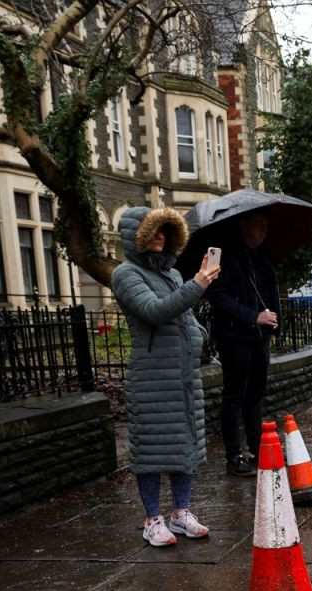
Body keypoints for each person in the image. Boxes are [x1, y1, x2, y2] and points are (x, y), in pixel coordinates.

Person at [110, 206, 221, 547]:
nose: (161, 237)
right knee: (152, 451)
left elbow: (181, 313)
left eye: (165, 231)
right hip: (152, 378)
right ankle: (152, 519)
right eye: (153, 231)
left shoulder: (171, 274)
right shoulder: (126, 275)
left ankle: (181, 514)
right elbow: (155, 312)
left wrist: (199, 335)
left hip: (184, 376)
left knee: (184, 446)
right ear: (136, 236)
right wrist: (198, 283)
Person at [204, 211, 280, 476]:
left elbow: (268, 290)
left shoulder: (259, 256)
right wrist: (253, 316)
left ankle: (257, 448)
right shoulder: (220, 254)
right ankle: (233, 455)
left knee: (255, 396)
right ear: (243, 225)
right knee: (234, 395)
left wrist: (272, 322)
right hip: (235, 337)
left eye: (266, 227)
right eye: (259, 226)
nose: (263, 232)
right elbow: (216, 297)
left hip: (259, 338)